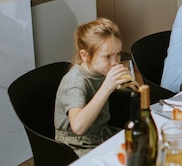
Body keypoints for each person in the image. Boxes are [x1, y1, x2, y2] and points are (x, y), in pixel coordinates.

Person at [54, 18, 135, 157]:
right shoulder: (75, 82)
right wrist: (107, 87)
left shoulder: (100, 70)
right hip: (77, 146)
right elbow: (78, 126)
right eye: (107, 56)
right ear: (85, 55)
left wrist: (128, 86)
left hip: (102, 134)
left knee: (145, 143)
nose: (115, 62)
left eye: (118, 54)